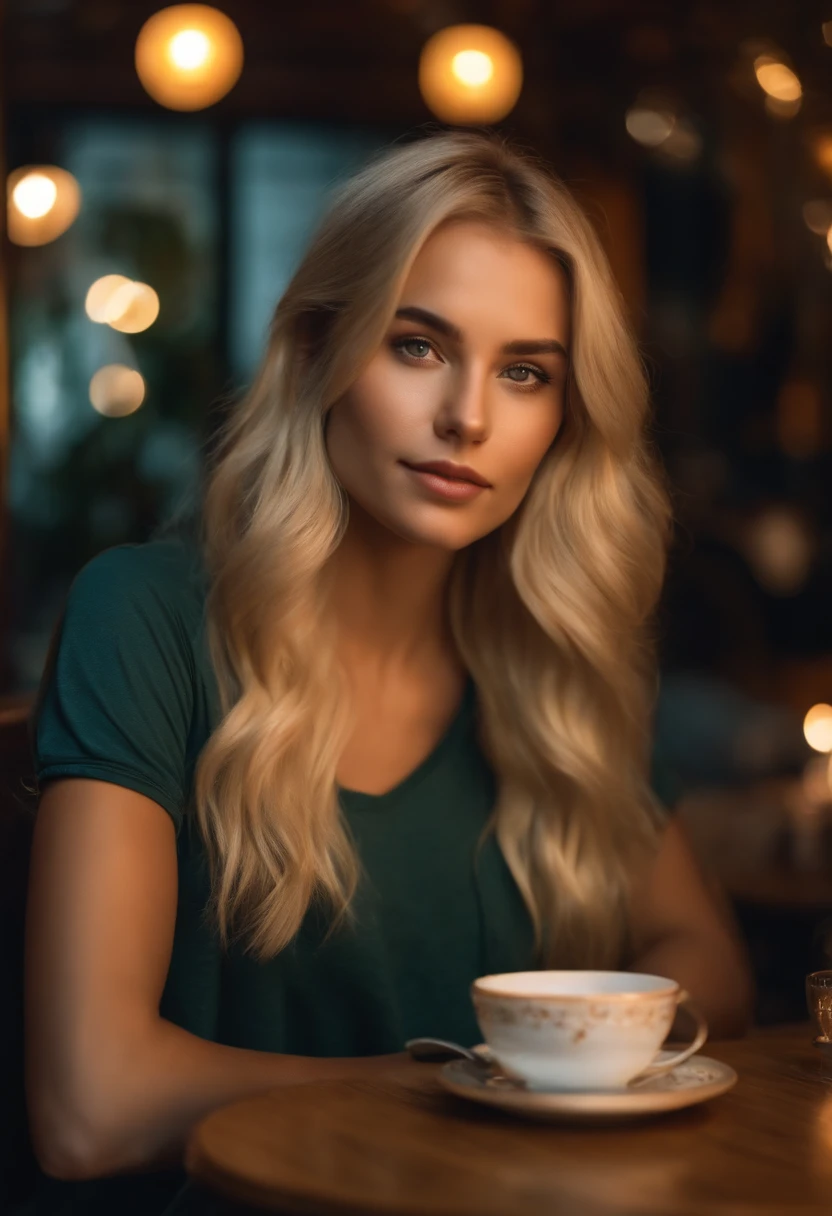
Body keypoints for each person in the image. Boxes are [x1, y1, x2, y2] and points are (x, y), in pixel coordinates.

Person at [20, 130, 754, 1215]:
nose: (467, 415)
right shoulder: (147, 615)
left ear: (563, 419)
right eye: (417, 345)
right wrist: (485, 1082)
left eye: (523, 373)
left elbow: (713, 966)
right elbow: (93, 1107)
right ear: (317, 350)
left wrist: (567, 1059)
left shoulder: (549, 660)